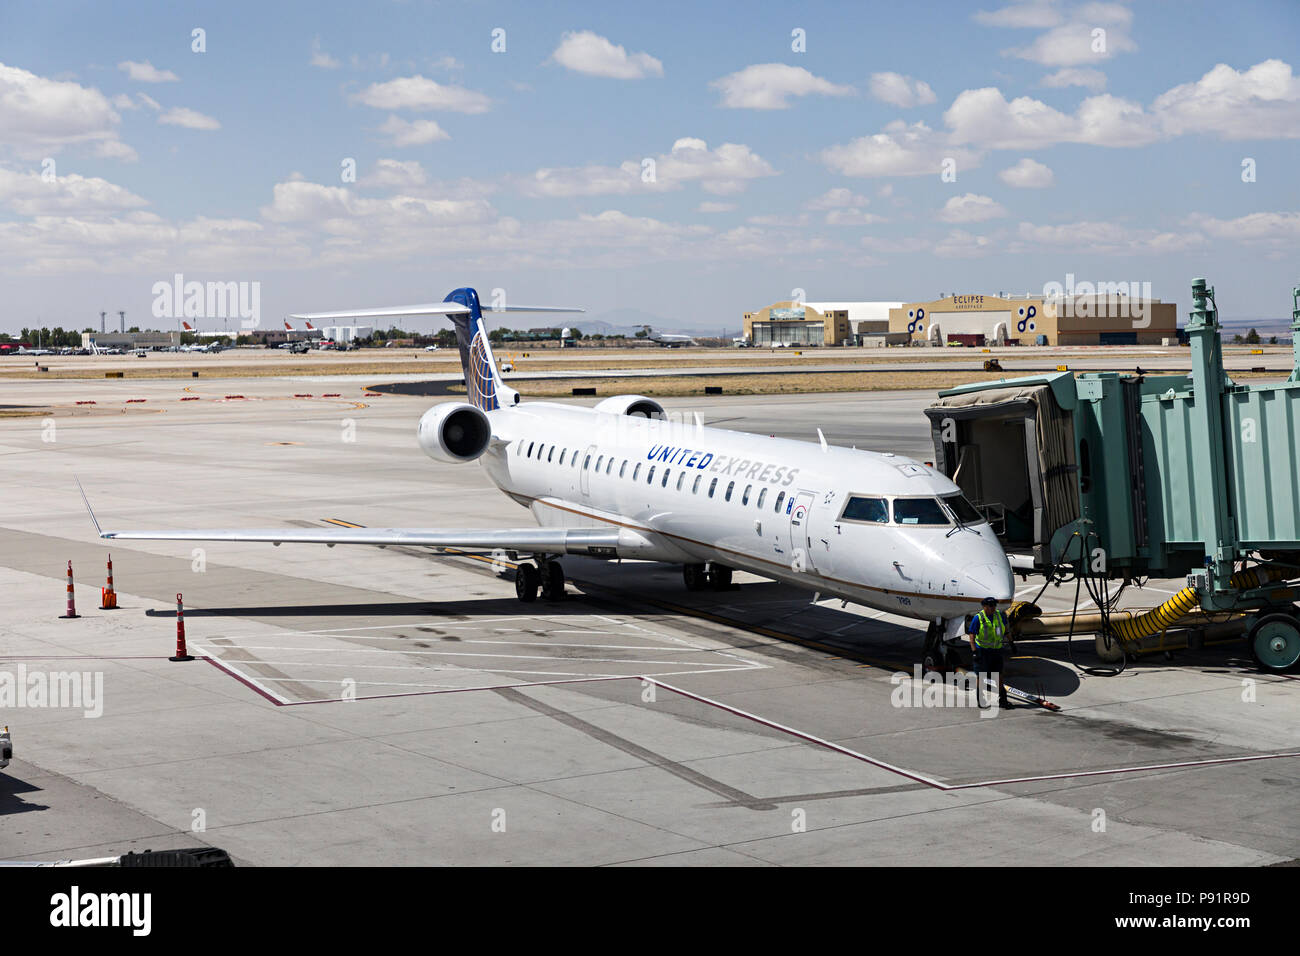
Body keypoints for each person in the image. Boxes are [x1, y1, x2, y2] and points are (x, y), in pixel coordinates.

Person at [968, 596, 1011, 709]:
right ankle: (980, 699)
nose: (993, 608)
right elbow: (972, 635)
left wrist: (1011, 643)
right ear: (984, 606)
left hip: (996, 651)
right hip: (983, 651)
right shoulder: (978, 618)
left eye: (994, 605)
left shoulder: (999, 615)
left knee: (999, 676)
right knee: (981, 677)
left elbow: (1006, 630)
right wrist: (974, 652)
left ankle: (1003, 699)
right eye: (991, 606)